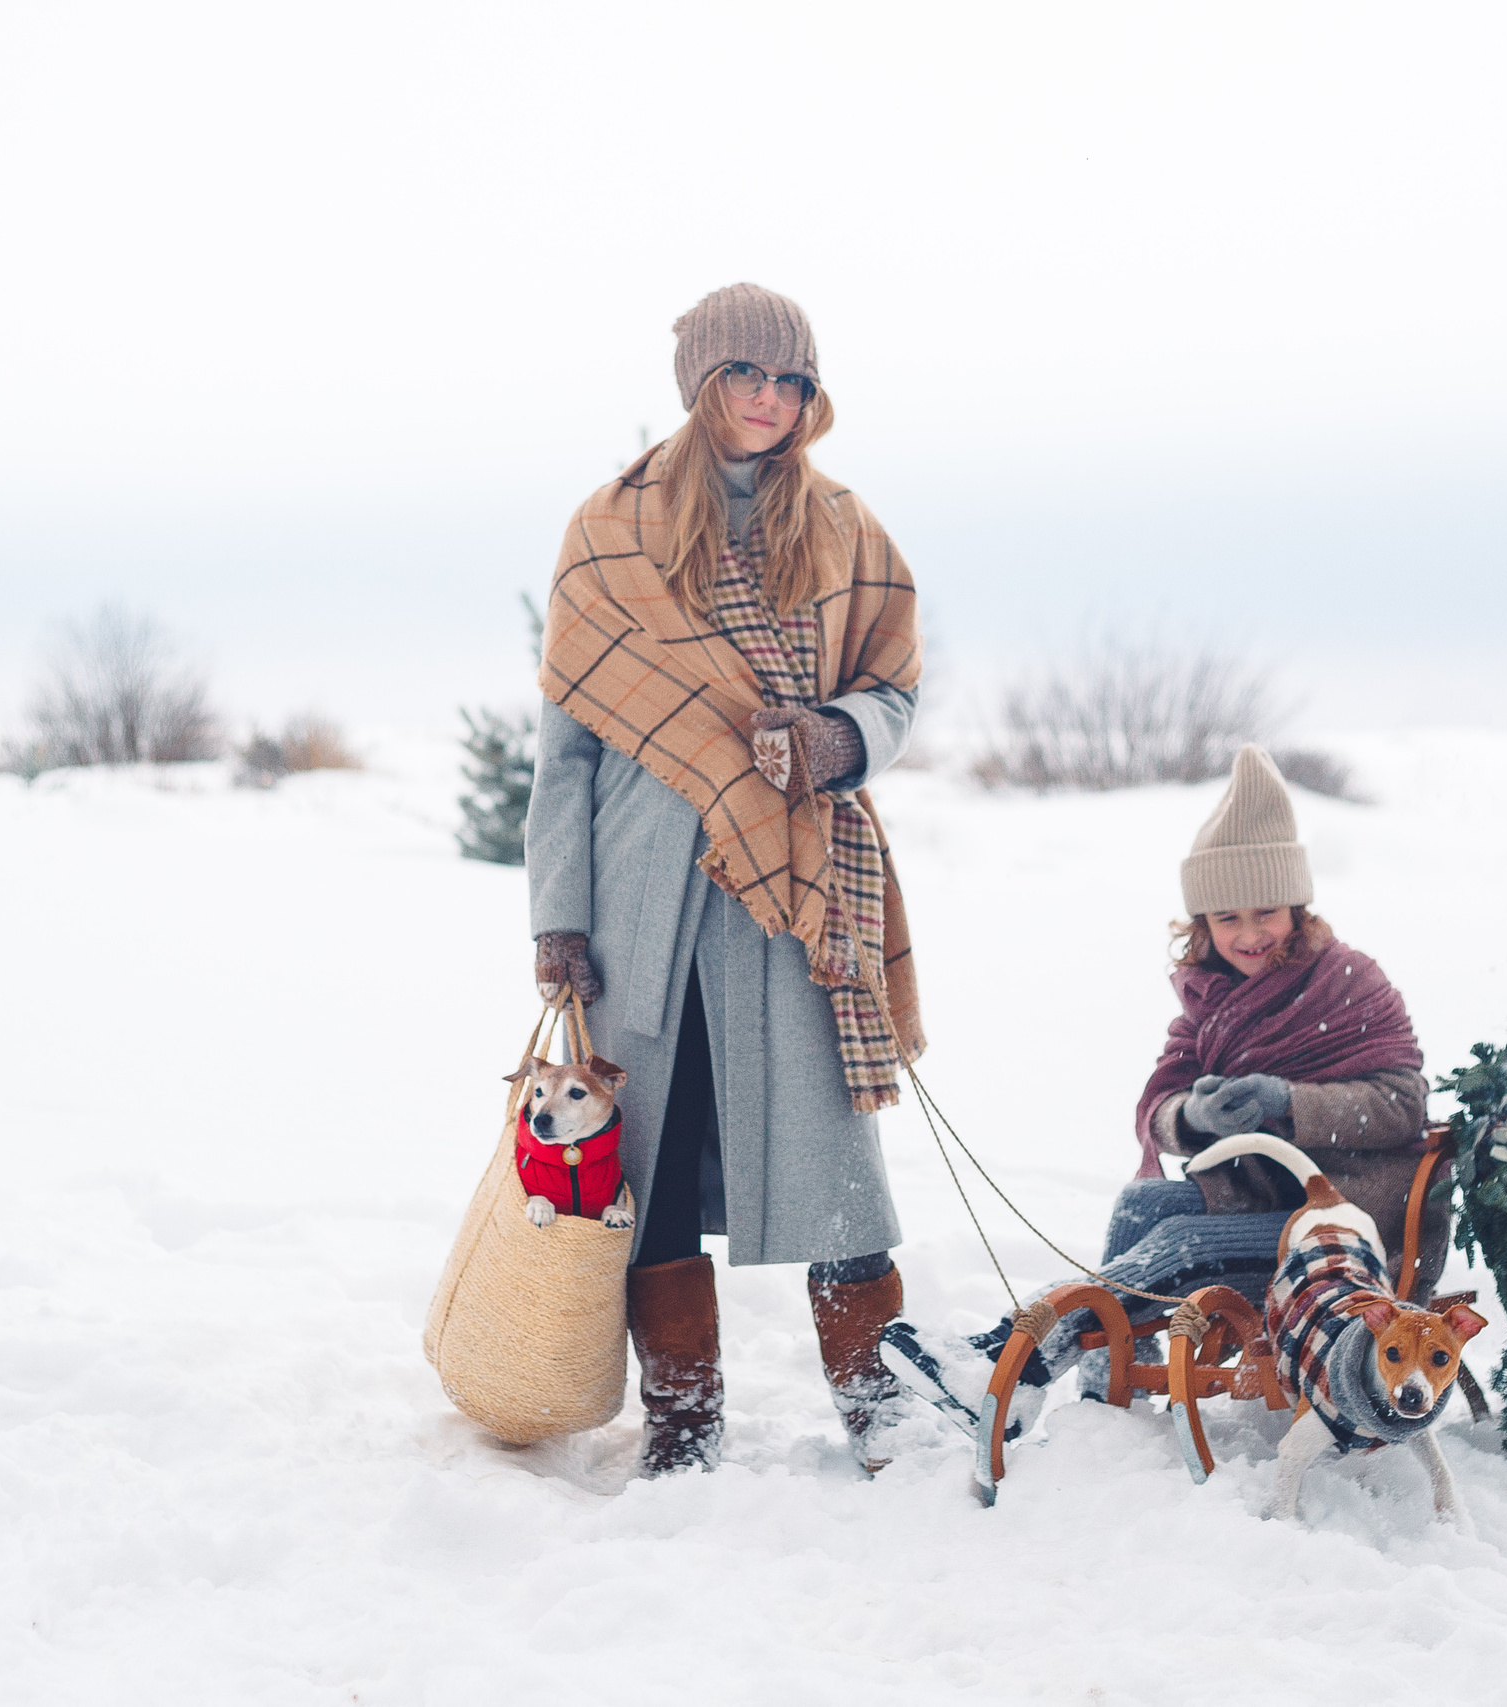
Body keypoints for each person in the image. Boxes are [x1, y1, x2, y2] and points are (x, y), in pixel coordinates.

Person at [527, 282, 926, 1475]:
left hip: (795, 890)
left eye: (793, 382)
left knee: (835, 1170)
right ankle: (683, 1423)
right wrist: (559, 917)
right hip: (644, 898)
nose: (772, 401)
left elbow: (898, 691)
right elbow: (562, 754)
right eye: (749, 377)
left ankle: (880, 1408)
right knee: (645, 1164)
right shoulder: (610, 531)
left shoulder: (848, 528)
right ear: (702, 386)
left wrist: (837, 738)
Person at [882, 744, 1435, 1438]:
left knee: (1179, 1241)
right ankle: (1105, 1392)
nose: (1249, 934)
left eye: (1266, 911)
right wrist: (1193, 1114)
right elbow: (1162, 1102)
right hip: (1267, 1198)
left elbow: (1402, 1102)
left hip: (1344, 1222)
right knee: (1144, 1204)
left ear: (1298, 906)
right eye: (1226, 919)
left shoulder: (1349, 980)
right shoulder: (1212, 996)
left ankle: (1009, 1360)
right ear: (1201, 925)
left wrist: (1287, 1101)